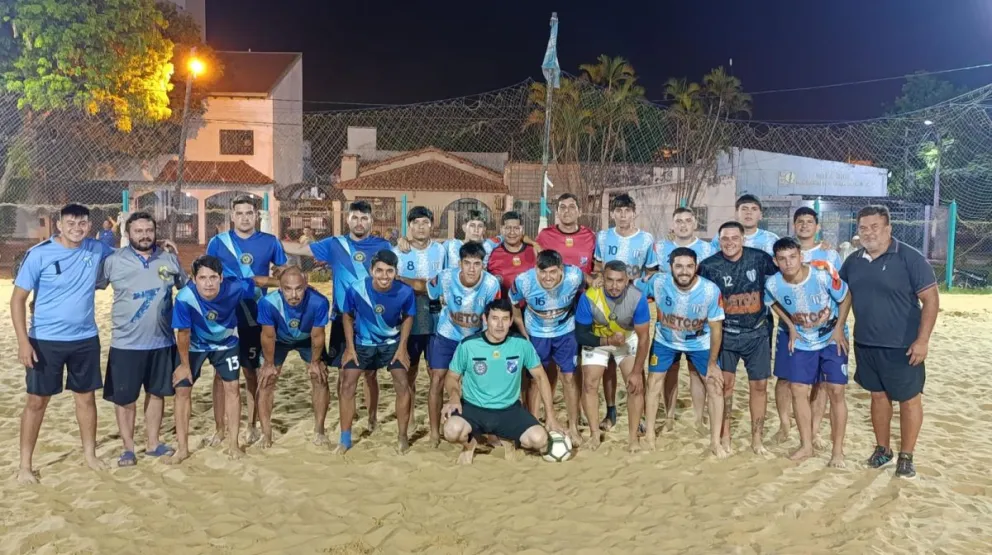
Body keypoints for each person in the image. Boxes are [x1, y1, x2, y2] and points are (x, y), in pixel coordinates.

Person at [11, 203, 115, 483]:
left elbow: (128, 256)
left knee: (86, 398)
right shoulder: (39, 254)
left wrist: (160, 248)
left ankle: (90, 455)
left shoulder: (96, 249)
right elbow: (18, 299)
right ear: (59, 225)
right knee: (36, 401)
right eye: (70, 223)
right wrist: (23, 342)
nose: (76, 228)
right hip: (44, 340)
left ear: (89, 226)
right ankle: (24, 465)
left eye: (82, 223)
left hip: (85, 338)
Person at [839, 205, 938, 479]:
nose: (868, 232)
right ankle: (883, 450)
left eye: (875, 227)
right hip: (866, 343)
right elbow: (846, 294)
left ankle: (906, 456)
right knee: (878, 396)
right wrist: (838, 327)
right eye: (863, 228)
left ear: (888, 229)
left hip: (903, 345)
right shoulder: (854, 261)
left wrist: (922, 340)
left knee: (909, 400)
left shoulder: (909, 258)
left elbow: (931, 299)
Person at [281, 200, 391, 427]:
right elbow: (299, 249)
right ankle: (347, 416)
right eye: (355, 218)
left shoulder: (383, 246)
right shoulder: (335, 244)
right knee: (344, 371)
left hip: (371, 319)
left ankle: (372, 419)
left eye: (364, 218)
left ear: (371, 221)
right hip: (343, 317)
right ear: (347, 220)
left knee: (370, 374)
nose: (359, 222)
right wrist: (265, 240)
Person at [97, 212, 186, 467]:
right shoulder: (113, 261)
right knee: (125, 398)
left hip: (162, 342)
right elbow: (91, 286)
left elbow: (185, 288)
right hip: (126, 344)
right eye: (138, 231)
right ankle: (128, 448)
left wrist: (177, 257)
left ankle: (153, 443)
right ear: (128, 234)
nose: (145, 235)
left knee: (157, 394)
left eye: (149, 230)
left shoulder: (168, 258)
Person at [170, 255, 277, 463]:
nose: (208, 283)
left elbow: (257, 281)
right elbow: (183, 333)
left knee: (232, 388)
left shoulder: (235, 287)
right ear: (193, 279)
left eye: (213, 277)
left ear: (221, 278)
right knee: (182, 390)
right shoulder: (184, 298)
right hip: (195, 345)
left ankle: (233, 445)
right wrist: (184, 365)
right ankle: (182, 449)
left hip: (226, 344)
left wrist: (283, 281)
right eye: (202, 278)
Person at [441, 298, 565, 464]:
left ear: (511, 321)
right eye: (495, 318)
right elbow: (451, 377)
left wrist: (551, 416)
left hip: (509, 410)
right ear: (485, 319)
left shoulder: (521, 344)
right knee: (451, 431)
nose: (500, 325)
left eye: (505, 319)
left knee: (540, 440)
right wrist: (454, 397)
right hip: (473, 408)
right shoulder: (468, 345)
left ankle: (507, 439)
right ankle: (469, 445)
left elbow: (541, 377)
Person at [206, 195, 288, 444]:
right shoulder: (218, 242)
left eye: (249, 213)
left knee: (252, 372)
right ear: (232, 216)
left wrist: (271, 279)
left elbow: (284, 276)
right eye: (239, 213)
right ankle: (220, 429)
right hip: (226, 317)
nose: (244, 218)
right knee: (221, 374)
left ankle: (251, 425)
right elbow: (206, 276)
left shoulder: (270, 242)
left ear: (256, 216)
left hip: (255, 316)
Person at [765, 237, 851, 466]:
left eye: (792, 257)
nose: (788, 263)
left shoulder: (821, 275)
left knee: (836, 391)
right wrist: (791, 326)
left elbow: (845, 297)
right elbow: (771, 302)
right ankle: (806, 446)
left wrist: (840, 328)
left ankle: (838, 451)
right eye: (782, 259)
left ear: (801, 256)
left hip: (831, 337)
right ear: (775, 261)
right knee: (798, 389)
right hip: (803, 341)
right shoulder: (773, 284)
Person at [699, 221, 779, 455]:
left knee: (760, 386)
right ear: (719, 241)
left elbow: (784, 277)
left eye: (735, 238)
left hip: (757, 333)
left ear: (743, 239)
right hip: (726, 336)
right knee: (726, 386)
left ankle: (757, 439)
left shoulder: (760, 258)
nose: (730, 242)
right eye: (725, 238)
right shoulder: (709, 266)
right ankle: (725, 436)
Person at [639, 248, 727, 456]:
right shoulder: (658, 282)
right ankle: (650, 435)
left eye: (689, 266)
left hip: (699, 343)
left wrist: (713, 364)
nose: (684, 271)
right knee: (654, 382)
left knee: (715, 385)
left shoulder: (710, 290)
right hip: (665, 340)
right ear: (670, 267)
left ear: (696, 267)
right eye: (678, 266)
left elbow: (716, 330)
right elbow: (632, 288)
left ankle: (715, 442)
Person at [773, 206, 844, 444]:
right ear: (794, 226)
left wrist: (837, 326)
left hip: (822, 329)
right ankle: (784, 425)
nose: (804, 225)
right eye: (800, 221)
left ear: (817, 226)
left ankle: (814, 431)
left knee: (821, 382)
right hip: (791, 329)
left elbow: (840, 292)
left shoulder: (829, 255)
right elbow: (773, 292)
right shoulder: (784, 251)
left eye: (809, 221)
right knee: (785, 378)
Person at [593, 193, 659, 431]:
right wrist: (599, 279)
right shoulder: (603, 237)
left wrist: (636, 285)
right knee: (609, 359)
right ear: (612, 213)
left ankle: (639, 415)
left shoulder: (645, 239)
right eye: (618, 211)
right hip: (606, 306)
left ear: (634, 213)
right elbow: (597, 267)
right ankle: (611, 411)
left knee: (636, 358)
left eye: (627, 211)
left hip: (633, 305)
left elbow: (652, 271)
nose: (623, 216)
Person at [340, 250, 416, 453]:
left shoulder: (405, 291)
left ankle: (402, 436)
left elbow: (408, 316)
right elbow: (347, 315)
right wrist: (350, 348)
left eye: (389, 271)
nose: (384, 276)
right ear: (371, 271)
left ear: (396, 272)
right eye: (379, 270)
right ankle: (345, 438)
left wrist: (402, 347)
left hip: (392, 343)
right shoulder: (356, 289)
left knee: (403, 384)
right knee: (347, 385)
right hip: (363, 344)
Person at [426, 242, 502, 446]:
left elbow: (493, 315)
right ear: (459, 263)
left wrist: (488, 343)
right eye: (467, 263)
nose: (471, 269)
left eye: (477, 264)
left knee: (483, 382)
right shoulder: (445, 277)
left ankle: (489, 431)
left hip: (475, 336)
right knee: (437, 379)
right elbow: (430, 293)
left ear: (483, 265)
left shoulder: (491, 284)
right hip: (447, 333)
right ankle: (434, 432)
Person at [509, 250, 585, 444]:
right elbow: (514, 304)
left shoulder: (574, 276)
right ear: (536, 269)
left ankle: (573, 426)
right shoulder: (524, 281)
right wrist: (523, 331)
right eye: (543, 272)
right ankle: (534, 424)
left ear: (561, 270)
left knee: (569, 378)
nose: (547, 277)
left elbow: (586, 290)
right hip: (536, 332)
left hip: (565, 331)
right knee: (535, 379)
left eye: (552, 272)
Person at [575, 260, 650, 451]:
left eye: (619, 281)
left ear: (627, 280)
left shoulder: (637, 297)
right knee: (589, 384)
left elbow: (643, 339)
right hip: (598, 339)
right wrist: (608, 341)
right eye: (609, 280)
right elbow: (581, 335)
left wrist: (637, 372)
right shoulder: (589, 297)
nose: (614, 286)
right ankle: (594, 434)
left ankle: (633, 438)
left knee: (635, 385)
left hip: (627, 339)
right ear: (602, 278)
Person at [654, 206, 718, 428]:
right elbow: (652, 277)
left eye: (688, 220)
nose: (683, 225)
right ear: (672, 225)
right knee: (670, 369)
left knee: (694, 371)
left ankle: (699, 418)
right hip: (668, 323)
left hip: (698, 324)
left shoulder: (707, 249)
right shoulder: (661, 248)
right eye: (679, 221)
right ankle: (669, 416)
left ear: (695, 224)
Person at [256, 267, 332, 448]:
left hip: (306, 339)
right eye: (288, 289)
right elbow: (267, 336)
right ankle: (266, 433)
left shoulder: (319, 301)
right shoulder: (267, 303)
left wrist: (315, 362)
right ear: (280, 288)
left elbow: (318, 335)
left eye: (298, 288)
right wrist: (268, 364)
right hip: (279, 340)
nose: (294, 295)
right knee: (266, 380)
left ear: (306, 285)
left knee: (319, 378)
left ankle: (319, 430)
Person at [393, 206, 446, 432]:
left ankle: (436, 423)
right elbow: (392, 282)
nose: (421, 227)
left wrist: (419, 286)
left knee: (436, 373)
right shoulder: (399, 252)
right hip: (410, 320)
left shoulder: (441, 250)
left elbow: (444, 282)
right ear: (409, 226)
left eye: (425, 222)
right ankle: (411, 417)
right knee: (410, 372)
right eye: (416, 223)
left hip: (437, 321)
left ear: (432, 225)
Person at [536, 193, 596, 274]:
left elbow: (597, 267)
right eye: (562, 207)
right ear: (557, 213)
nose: (567, 211)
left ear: (580, 212)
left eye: (572, 207)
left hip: (583, 282)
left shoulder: (590, 236)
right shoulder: (544, 236)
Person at [711, 194, 779, 255]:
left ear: (760, 215)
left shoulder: (772, 239)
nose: (749, 212)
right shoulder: (721, 237)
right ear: (736, 214)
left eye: (754, 209)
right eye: (744, 209)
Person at [487, 211, 537, 295]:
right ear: (501, 229)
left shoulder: (534, 251)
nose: (512, 232)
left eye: (516, 228)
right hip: (501, 302)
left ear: (522, 229)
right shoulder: (491, 254)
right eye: (508, 228)